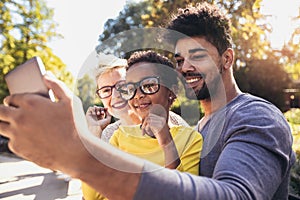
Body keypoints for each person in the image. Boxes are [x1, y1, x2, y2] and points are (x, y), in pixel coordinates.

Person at [0, 2, 295, 200]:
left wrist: (80, 158)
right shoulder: (200, 124)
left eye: (197, 56)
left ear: (227, 58)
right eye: (179, 59)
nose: (185, 68)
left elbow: (235, 196)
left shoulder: (256, 116)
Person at [82, 51, 195, 200]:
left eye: (121, 86)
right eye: (105, 90)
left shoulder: (179, 129)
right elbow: (92, 194)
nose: (115, 95)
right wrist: (93, 135)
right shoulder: (111, 136)